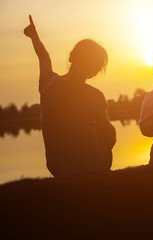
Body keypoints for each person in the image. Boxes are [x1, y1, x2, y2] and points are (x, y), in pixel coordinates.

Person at [24, 15, 116, 177]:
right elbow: (109, 137)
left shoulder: (47, 83)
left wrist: (34, 35)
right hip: (93, 163)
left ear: (72, 56)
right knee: (107, 133)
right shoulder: (94, 96)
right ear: (94, 71)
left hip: (57, 165)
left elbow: (43, 55)